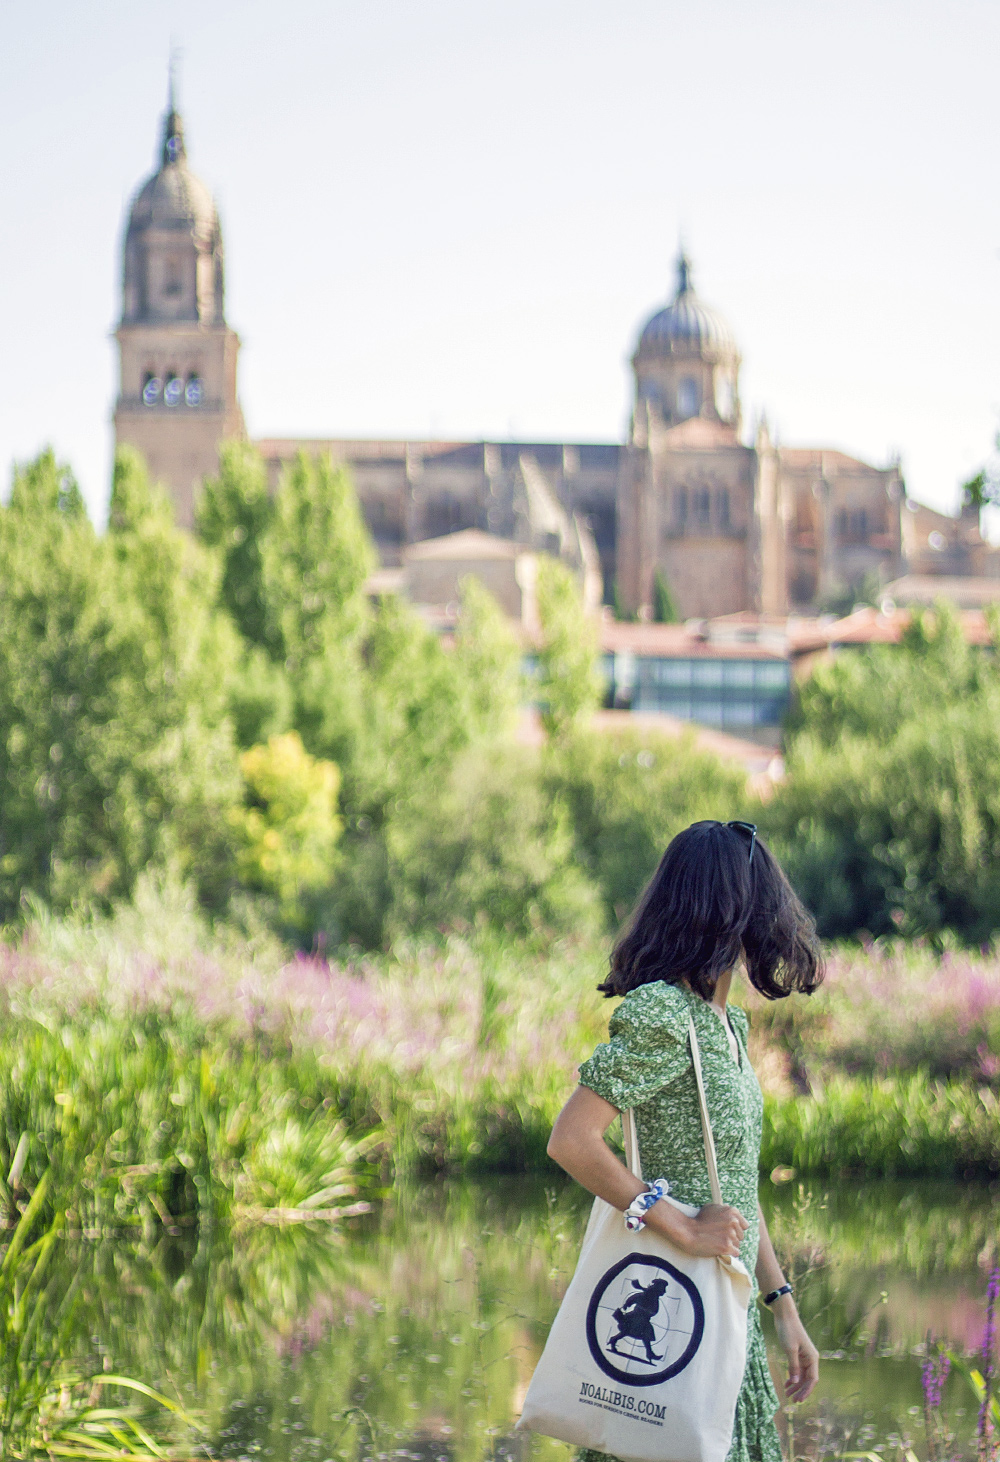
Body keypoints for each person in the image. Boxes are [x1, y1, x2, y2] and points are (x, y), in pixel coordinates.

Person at [547, 820, 822, 1462]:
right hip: (679, 1317)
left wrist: (783, 1306)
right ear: (732, 907)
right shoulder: (666, 1015)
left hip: (729, 1319)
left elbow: (734, 1188)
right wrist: (681, 1226)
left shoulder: (729, 1025)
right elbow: (572, 1139)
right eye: (765, 892)